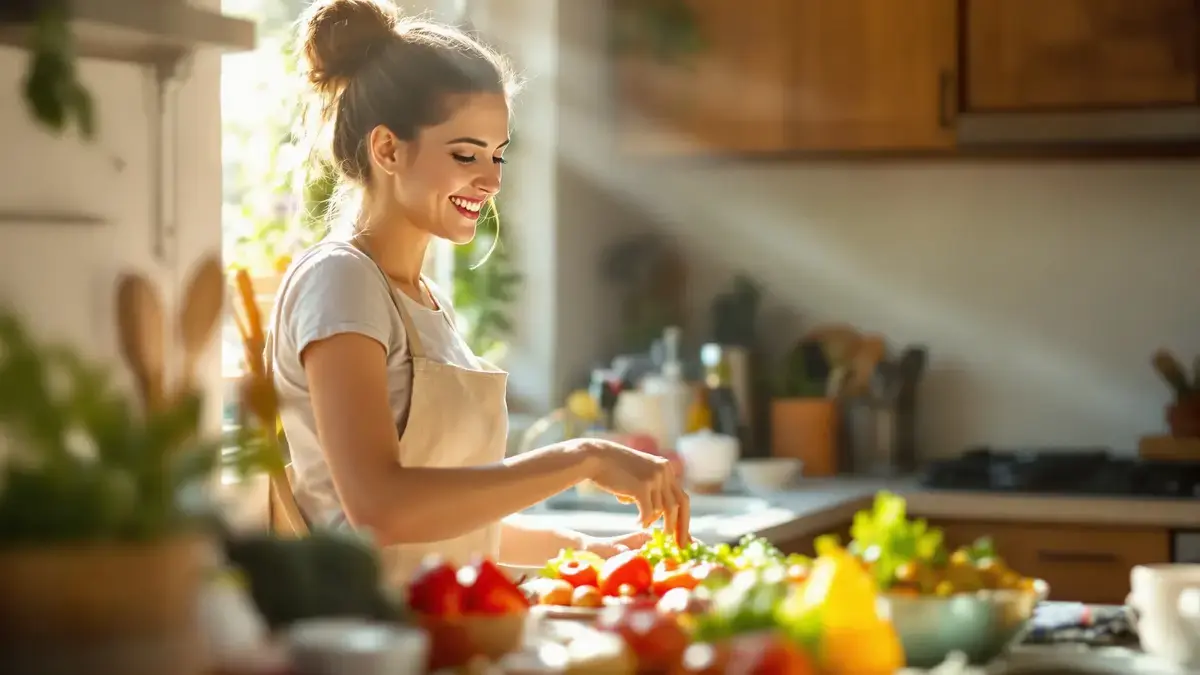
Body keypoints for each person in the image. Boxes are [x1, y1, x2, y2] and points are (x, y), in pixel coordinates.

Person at [265, 0, 691, 588]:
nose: (491, 180)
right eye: (466, 154)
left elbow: (453, 523)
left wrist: (595, 551)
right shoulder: (340, 281)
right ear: (388, 149)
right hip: (378, 637)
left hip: (450, 624)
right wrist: (582, 457)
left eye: (497, 155)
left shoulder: (422, 300)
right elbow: (381, 508)